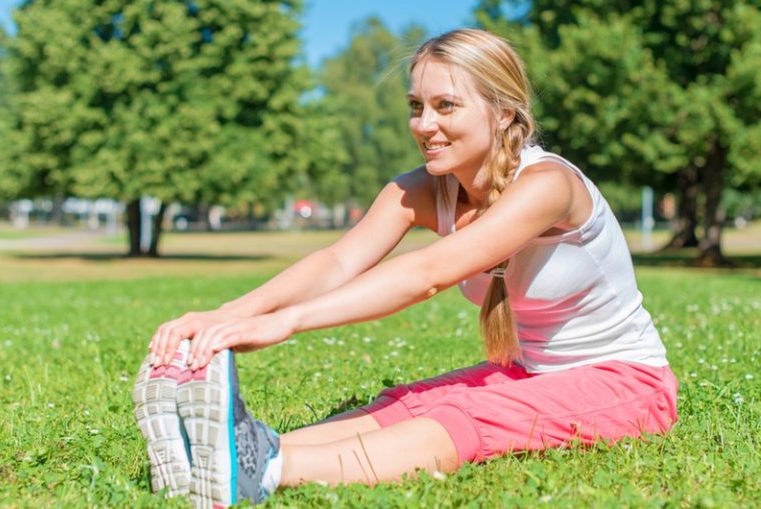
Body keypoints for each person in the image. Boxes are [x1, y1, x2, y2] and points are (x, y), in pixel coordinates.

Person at [133, 28, 678, 508]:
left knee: (465, 420)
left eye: (446, 106)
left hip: (627, 383)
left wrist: (288, 322)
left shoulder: (548, 185)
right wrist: (229, 314)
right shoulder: (421, 188)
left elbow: (429, 273)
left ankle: (266, 468)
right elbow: (339, 259)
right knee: (409, 403)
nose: (425, 124)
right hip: (531, 372)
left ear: (504, 113)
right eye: (416, 105)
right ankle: (230, 451)